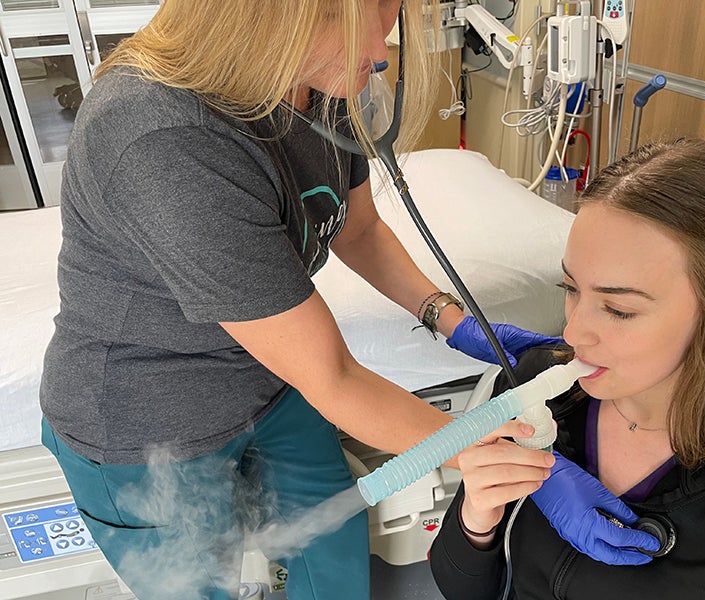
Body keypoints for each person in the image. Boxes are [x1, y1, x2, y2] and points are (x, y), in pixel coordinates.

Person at [38, 1, 558, 599]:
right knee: (200, 587)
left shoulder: (323, 80)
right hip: (148, 424)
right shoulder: (161, 133)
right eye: (364, 18)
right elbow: (334, 377)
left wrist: (448, 317)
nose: (382, 51)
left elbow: (357, 229)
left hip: (270, 386)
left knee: (332, 563)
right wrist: (477, 443)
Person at [429, 139, 705, 599]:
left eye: (618, 309)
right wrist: (477, 523)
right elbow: (463, 588)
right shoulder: (535, 395)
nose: (573, 333)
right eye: (571, 287)